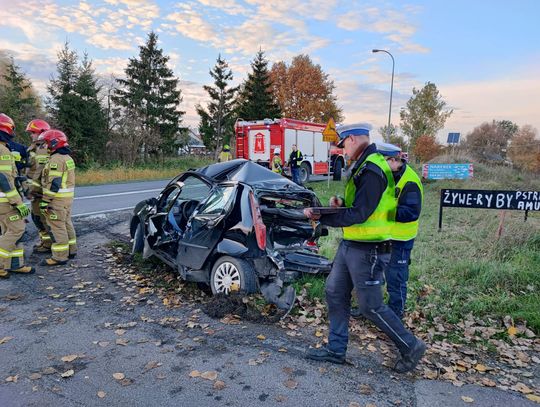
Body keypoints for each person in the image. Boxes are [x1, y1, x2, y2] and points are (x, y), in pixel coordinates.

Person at [303, 123, 425, 373]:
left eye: (345, 143)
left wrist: (323, 217)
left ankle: (410, 346)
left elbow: (361, 213)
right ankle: (336, 350)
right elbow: (359, 205)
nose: (342, 149)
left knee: (371, 306)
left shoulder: (372, 169)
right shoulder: (362, 165)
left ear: (357, 138)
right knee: (335, 292)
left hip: (369, 249)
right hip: (352, 245)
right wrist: (339, 204)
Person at [377, 142, 423, 319]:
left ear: (394, 160)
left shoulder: (409, 181)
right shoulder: (388, 175)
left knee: (396, 277)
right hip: (384, 236)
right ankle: (375, 308)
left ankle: (396, 314)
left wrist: (382, 213)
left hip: (401, 240)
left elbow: (411, 213)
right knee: (377, 274)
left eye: (383, 160)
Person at [0, 113, 34, 278]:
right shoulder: (2, 149)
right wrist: (17, 202)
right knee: (17, 229)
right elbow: (4, 179)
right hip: (6, 201)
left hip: (5, 201)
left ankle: (15, 264)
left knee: (10, 231)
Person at [39, 130, 77, 266]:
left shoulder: (56, 159)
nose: (45, 146)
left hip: (57, 201)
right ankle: (71, 250)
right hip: (67, 200)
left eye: (46, 143)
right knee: (67, 224)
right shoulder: (68, 158)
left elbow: (54, 183)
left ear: (54, 143)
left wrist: (45, 201)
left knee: (57, 227)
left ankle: (60, 257)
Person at [25, 119, 52, 253]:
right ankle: (45, 242)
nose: (31, 135)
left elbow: (39, 172)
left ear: (41, 132)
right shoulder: (35, 147)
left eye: (33, 133)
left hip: (40, 191)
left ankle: (49, 244)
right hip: (35, 191)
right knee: (36, 218)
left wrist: (32, 190)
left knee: (41, 219)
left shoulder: (42, 149)